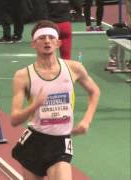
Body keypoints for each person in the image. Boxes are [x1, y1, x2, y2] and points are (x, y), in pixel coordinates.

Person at [10, 20, 100, 180]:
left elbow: (94, 91)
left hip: (60, 142)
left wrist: (86, 120)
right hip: (34, 140)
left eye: (51, 37)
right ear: (33, 44)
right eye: (41, 37)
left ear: (58, 43)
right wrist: (34, 106)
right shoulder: (22, 76)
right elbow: (15, 120)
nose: (47, 41)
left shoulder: (74, 68)